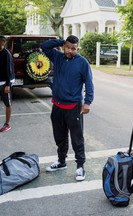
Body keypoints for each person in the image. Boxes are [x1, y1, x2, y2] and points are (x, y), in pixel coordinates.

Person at [41, 35, 94, 181]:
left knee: (77, 138)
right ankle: (61, 161)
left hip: (73, 106)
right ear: (64, 45)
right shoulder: (57, 57)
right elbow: (45, 46)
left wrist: (88, 102)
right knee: (60, 136)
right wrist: (60, 41)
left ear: (78, 48)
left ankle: (80, 166)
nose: (70, 51)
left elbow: (89, 84)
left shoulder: (82, 63)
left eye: (73, 49)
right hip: (57, 105)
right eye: (68, 47)